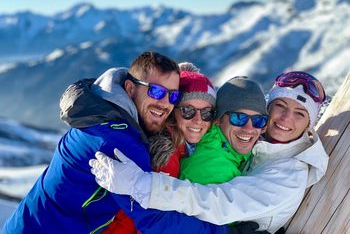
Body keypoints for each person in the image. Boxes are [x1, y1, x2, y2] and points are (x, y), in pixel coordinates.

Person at [90, 71, 329, 233]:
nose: (286, 119)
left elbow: (217, 202)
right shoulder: (254, 148)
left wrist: (140, 184)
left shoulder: (289, 173)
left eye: (300, 113)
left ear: (309, 124)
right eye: (281, 106)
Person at [3, 51, 183, 233]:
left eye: (174, 96)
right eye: (156, 91)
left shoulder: (98, 111)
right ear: (129, 88)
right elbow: (153, 218)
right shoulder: (123, 145)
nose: (165, 103)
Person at [103, 64, 218, 233]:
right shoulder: (165, 156)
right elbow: (136, 218)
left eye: (207, 113)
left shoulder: (191, 148)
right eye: (188, 110)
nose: (198, 120)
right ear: (173, 111)